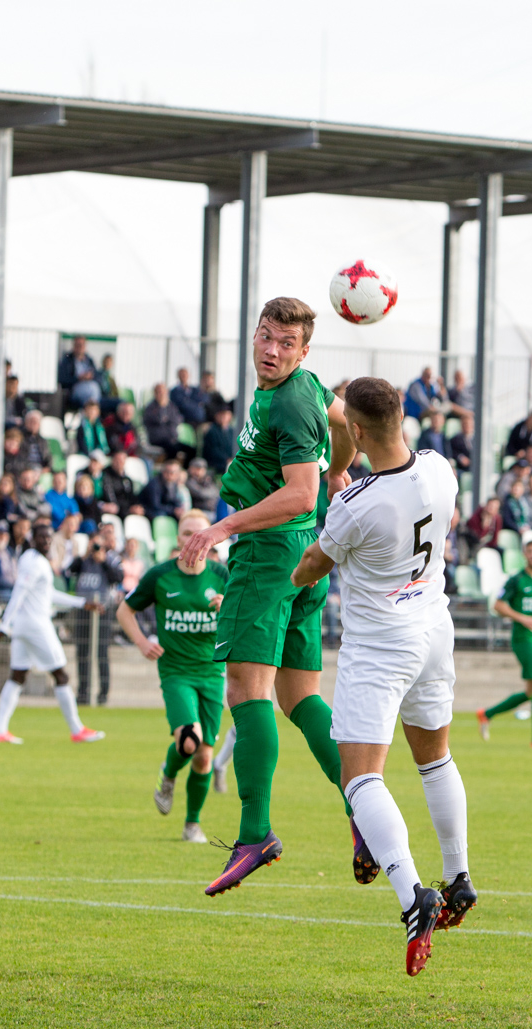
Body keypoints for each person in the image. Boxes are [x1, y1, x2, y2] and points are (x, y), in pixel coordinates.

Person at [288, 376, 472, 975]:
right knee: (436, 759)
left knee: (360, 778)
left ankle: (414, 894)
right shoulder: (441, 469)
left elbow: (310, 568)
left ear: (357, 432)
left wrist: (298, 563)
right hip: (434, 627)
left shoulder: (356, 504)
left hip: (380, 644)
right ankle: (460, 876)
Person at [174, 296, 355, 897]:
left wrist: (221, 528)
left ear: (305, 351)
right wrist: (340, 470)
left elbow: (300, 494)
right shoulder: (306, 387)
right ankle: (365, 809)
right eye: (265, 337)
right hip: (304, 553)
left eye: (285, 343)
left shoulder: (292, 399)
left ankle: (256, 833)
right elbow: (346, 417)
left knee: (245, 691)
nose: (271, 350)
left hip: (270, 552)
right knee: (300, 695)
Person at [119, 510, 229, 844]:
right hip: (176, 672)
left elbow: (248, 612)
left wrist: (230, 606)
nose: (192, 539)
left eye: (199, 532)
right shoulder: (160, 576)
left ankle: (191, 825)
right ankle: (167, 775)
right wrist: (141, 642)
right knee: (189, 739)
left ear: (210, 539)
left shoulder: (222, 575)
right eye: (185, 533)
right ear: (178, 538)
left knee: (204, 756)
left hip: (213, 672)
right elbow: (126, 609)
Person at [0, 523, 106, 745]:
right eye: (42, 537)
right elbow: (19, 593)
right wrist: (3, 627)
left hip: (23, 626)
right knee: (61, 675)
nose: (46, 541)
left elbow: (47, 593)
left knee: (17, 676)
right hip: (36, 626)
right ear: (33, 539)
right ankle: (77, 729)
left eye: (49, 537)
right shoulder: (34, 563)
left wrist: (80, 602)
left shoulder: (32, 559)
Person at [477, 538, 532, 748]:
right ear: (524, 554)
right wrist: (521, 618)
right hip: (523, 639)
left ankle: (487, 714)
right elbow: (497, 605)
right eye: (529, 551)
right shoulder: (516, 580)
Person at [66, 528, 123, 703]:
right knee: (82, 651)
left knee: (101, 652)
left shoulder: (111, 558)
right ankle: (83, 691)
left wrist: (103, 561)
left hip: (102, 610)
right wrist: (84, 555)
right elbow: (70, 570)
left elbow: (118, 577)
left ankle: (103, 693)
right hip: (84, 609)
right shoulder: (83, 560)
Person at [143, 382, 192, 464]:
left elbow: (178, 419)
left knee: (191, 450)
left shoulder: (171, 406)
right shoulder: (150, 407)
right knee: (172, 449)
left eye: (163, 392)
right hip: (158, 439)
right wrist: (162, 408)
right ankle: (168, 468)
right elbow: (159, 419)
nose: (161, 394)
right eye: (159, 392)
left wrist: (166, 419)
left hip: (172, 439)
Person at [57, 336, 100, 411]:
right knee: (92, 390)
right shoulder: (67, 360)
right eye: (78, 345)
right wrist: (79, 378)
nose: (80, 347)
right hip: (74, 389)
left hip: (90, 388)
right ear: (73, 346)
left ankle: (90, 413)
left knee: (93, 388)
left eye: (82, 345)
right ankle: (91, 414)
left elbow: (97, 376)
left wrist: (90, 376)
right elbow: (62, 379)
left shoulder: (89, 360)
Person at [97, 451, 142, 516]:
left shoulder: (127, 480)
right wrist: (128, 509)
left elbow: (131, 497)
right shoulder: (105, 476)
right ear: (113, 460)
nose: (119, 463)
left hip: (125, 510)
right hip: (115, 511)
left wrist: (135, 507)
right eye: (117, 460)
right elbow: (111, 499)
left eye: (122, 460)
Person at [202, 405, 237, 473]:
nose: (223, 417)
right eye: (221, 415)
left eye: (225, 415)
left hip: (231, 460)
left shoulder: (232, 431)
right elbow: (213, 450)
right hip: (217, 462)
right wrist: (226, 459)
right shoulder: (211, 430)